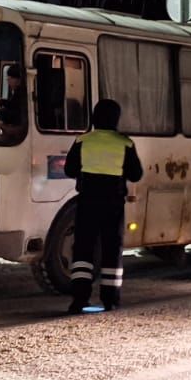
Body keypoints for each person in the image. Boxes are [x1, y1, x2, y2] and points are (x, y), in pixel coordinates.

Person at [63, 98, 144, 313]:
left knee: (83, 248)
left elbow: (69, 170)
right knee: (111, 249)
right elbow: (136, 174)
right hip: (113, 203)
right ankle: (110, 300)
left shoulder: (83, 141)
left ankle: (79, 299)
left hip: (87, 201)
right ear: (116, 119)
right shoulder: (124, 143)